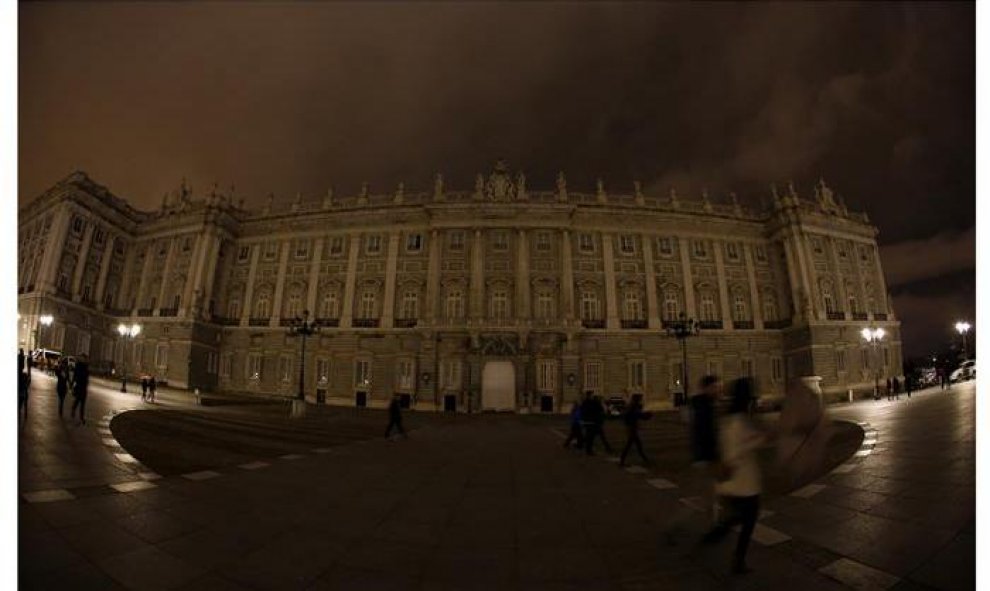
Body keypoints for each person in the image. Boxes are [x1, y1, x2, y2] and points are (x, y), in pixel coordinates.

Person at [700, 378, 766, 575]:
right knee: (748, 518)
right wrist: (760, 439)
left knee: (739, 517)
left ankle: (715, 538)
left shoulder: (728, 418)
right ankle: (735, 558)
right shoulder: (739, 421)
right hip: (743, 482)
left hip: (732, 483)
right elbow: (738, 449)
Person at [619, 394, 652, 467]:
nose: (641, 400)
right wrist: (648, 415)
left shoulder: (631, 406)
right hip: (632, 429)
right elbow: (639, 415)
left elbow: (637, 415)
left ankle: (645, 459)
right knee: (630, 445)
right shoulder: (633, 407)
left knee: (637, 445)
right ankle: (622, 461)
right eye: (640, 399)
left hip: (631, 428)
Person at [70, 354, 90, 425]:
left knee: (82, 403)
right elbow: (75, 376)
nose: (87, 360)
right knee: (78, 401)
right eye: (85, 358)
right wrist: (72, 384)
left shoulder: (86, 367)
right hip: (79, 386)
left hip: (84, 387)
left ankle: (81, 417)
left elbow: (87, 377)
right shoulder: (78, 366)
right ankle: (74, 410)